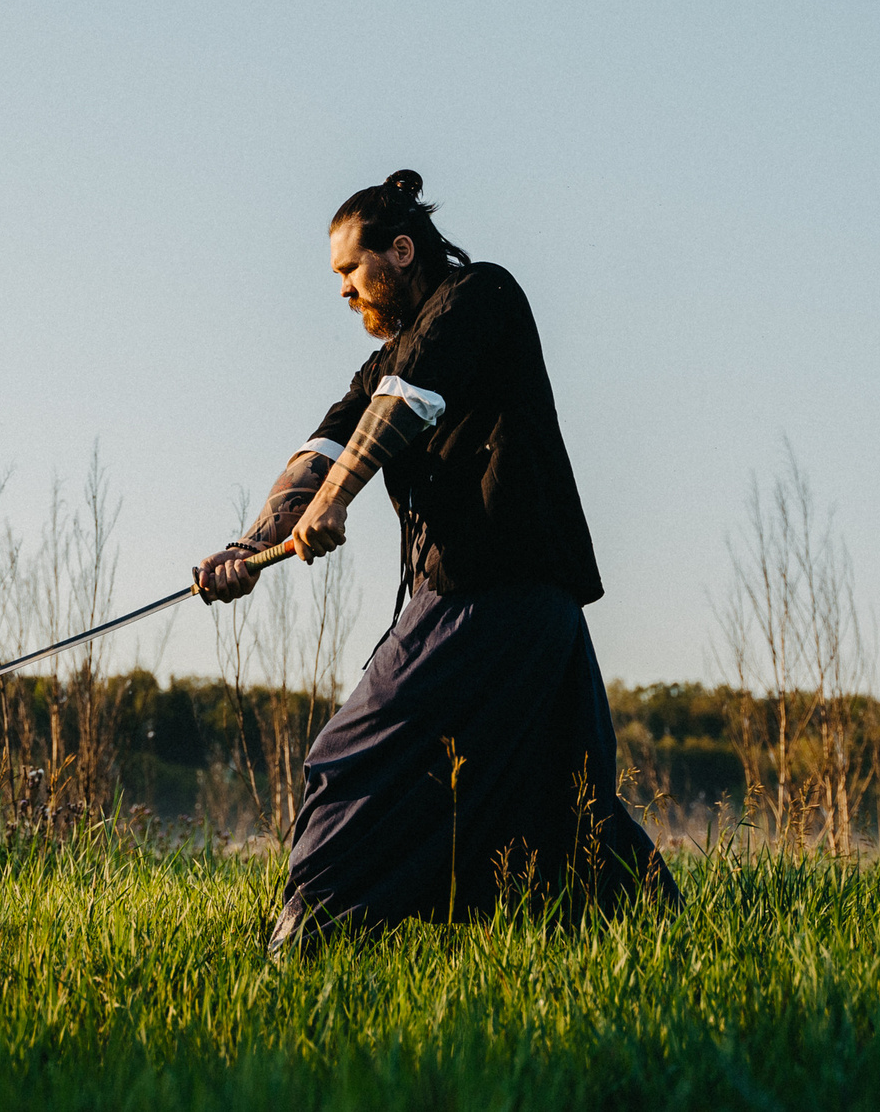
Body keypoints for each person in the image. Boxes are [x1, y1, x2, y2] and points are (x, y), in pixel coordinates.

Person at [197, 170, 676, 949]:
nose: (344, 291)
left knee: (349, 759)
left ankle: (309, 933)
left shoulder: (481, 297)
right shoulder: (379, 364)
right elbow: (317, 455)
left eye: (352, 271)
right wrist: (248, 548)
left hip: (490, 588)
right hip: (529, 603)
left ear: (403, 250)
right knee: (569, 791)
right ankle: (656, 940)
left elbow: (408, 405)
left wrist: (339, 498)